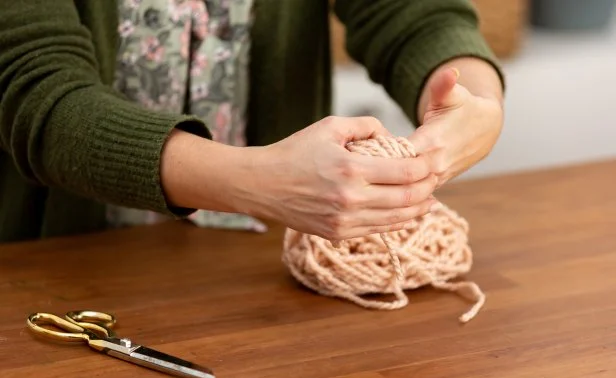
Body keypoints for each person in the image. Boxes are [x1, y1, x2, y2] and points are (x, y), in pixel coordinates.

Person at [0, 0, 504, 244]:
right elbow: (37, 88)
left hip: (265, 261)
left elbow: (415, 15)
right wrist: (262, 182)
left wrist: (476, 104)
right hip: (58, 258)